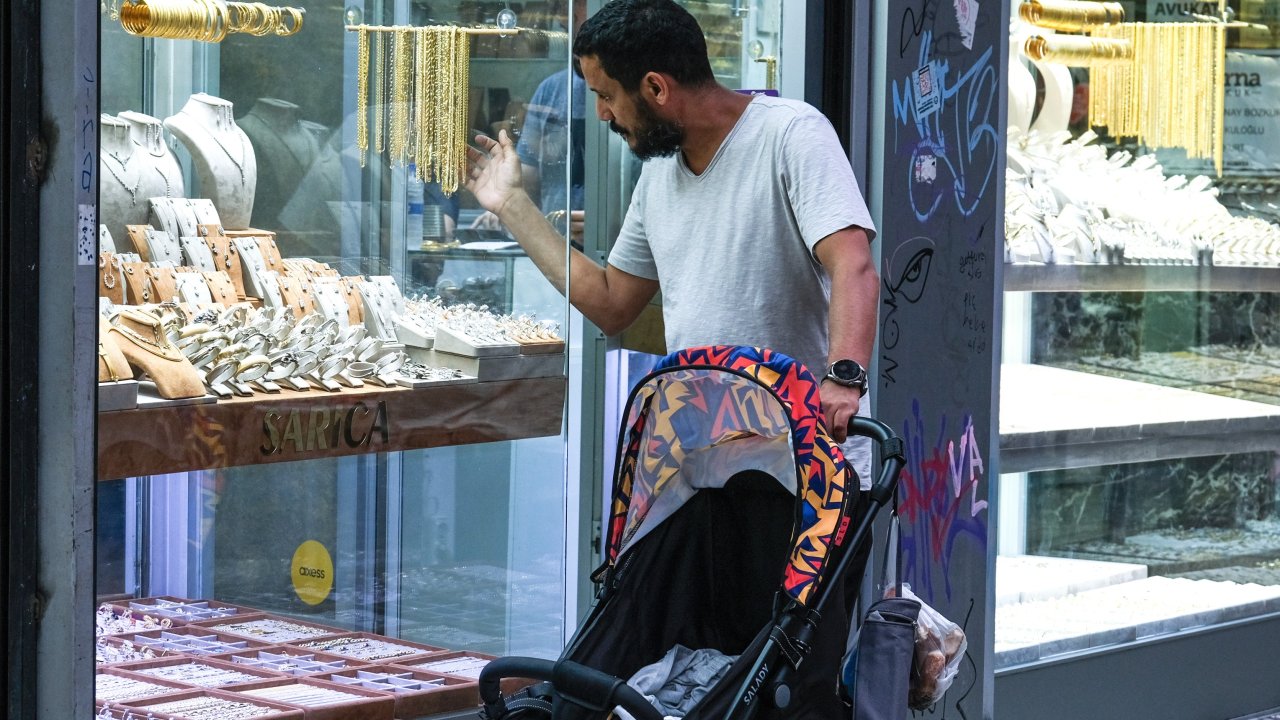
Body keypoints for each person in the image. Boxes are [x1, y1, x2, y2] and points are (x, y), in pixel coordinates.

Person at [465, 2, 878, 711]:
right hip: (703, 474)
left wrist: (842, 378)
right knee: (701, 679)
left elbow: (854, 265)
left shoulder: (791, 136)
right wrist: (513, 208)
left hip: (808, 473)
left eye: (605, 95)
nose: (600, 114)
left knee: (787, 688)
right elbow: (611, 302)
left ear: (655, 88)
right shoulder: (659, 176)